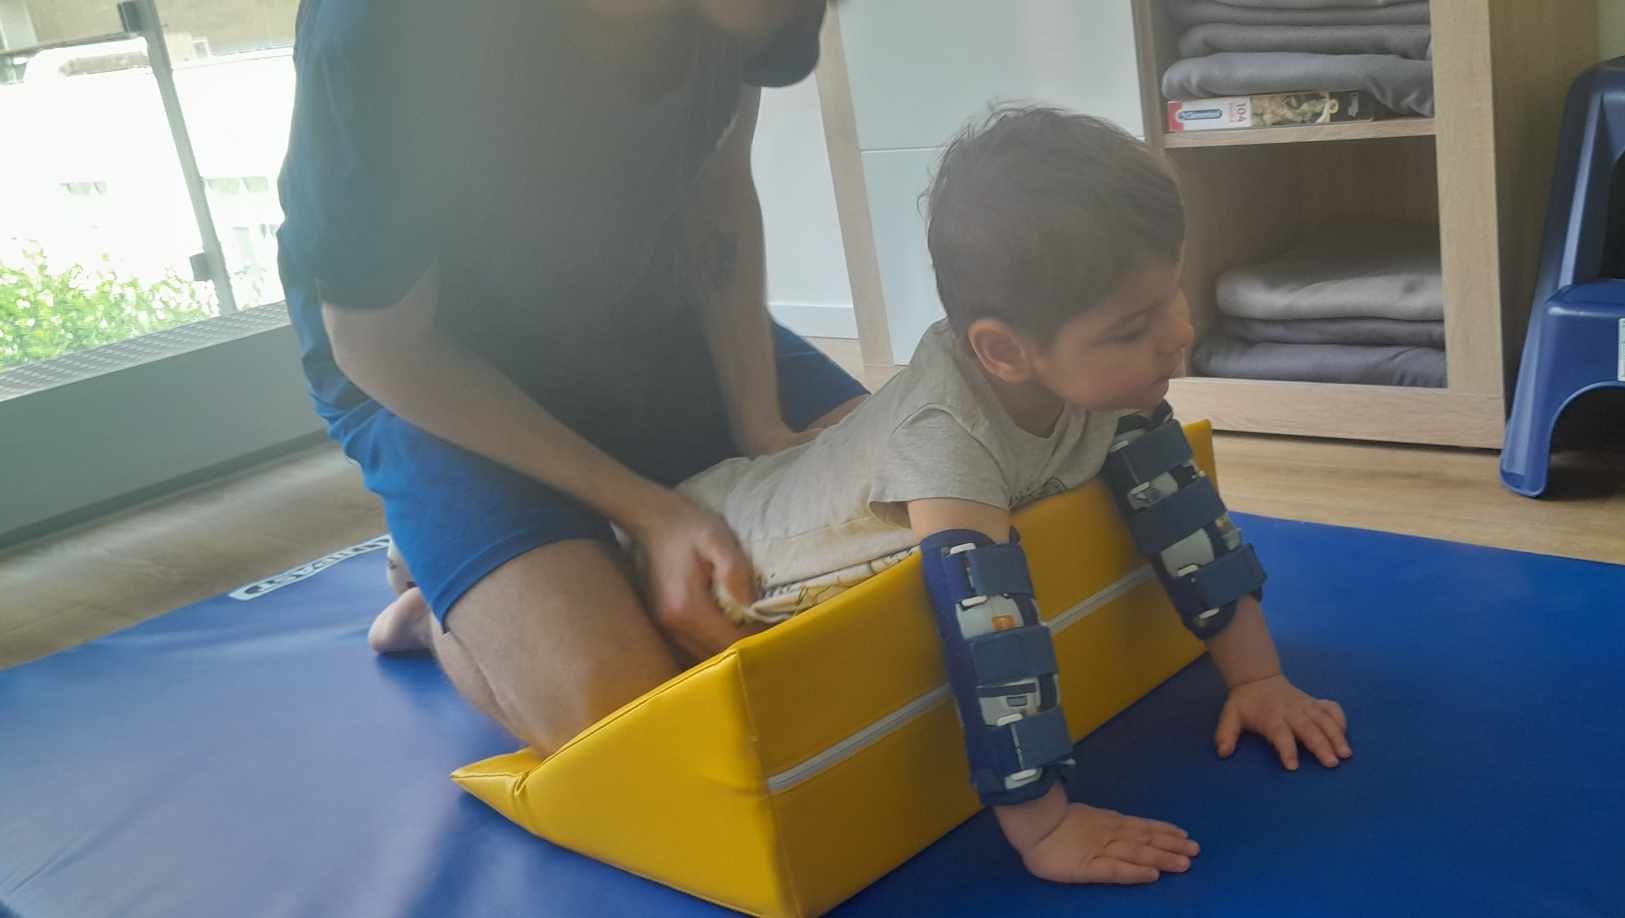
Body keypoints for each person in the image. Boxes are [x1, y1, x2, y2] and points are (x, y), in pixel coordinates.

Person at [386, 105, 1352, 885]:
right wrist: (1045, 825)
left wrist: (1258, 678)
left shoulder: (1105, 381)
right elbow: (991, 640)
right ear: (1004, 351)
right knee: (634, 733)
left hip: (756, 489)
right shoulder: (950, 444)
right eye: (1134, 326)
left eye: (1172, 295)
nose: (1177, 334)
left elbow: (1185, 520)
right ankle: (441, 612)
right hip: (721, 566)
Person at [277, 0, 866, 755]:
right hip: (435, 366)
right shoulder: (384, 26)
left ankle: (521, 565)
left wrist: (764, 428)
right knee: (639, 732)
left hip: (644, 309)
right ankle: (447, 609)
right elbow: (377, 344)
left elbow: (716, 186)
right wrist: (651, 514)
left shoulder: (744, 16)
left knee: (923, 498)